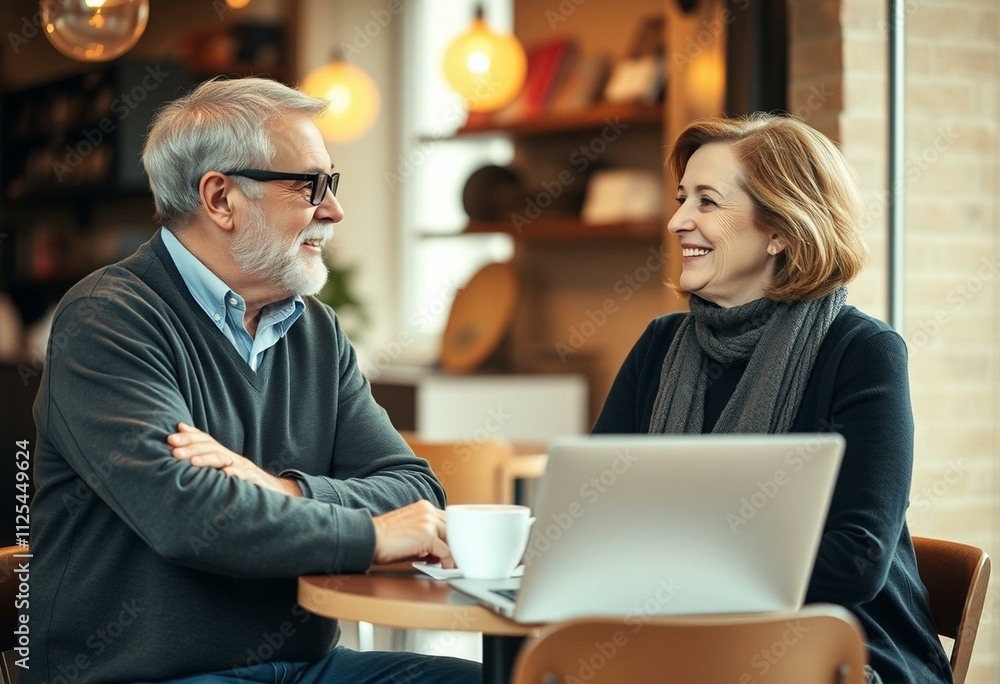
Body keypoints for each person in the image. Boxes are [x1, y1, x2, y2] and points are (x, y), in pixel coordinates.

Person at [24, 77, 480, 683]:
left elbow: (415, 492)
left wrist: (281, 489)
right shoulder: (106, 318)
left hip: (306, 666)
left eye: (332, 184)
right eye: (310, 185)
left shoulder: (316, 329)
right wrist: (369, 537)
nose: (334, 210)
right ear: (221, 198)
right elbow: (187, 515)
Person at [593, 113, 951, 684]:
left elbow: (856, 560)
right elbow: (595, 514)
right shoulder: (660, 344)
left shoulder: (863, 351)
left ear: (781, 229)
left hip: (843, 650)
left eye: (707, 202)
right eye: (682, 199)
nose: (677, 220)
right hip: (676, 641)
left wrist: (670, 561)